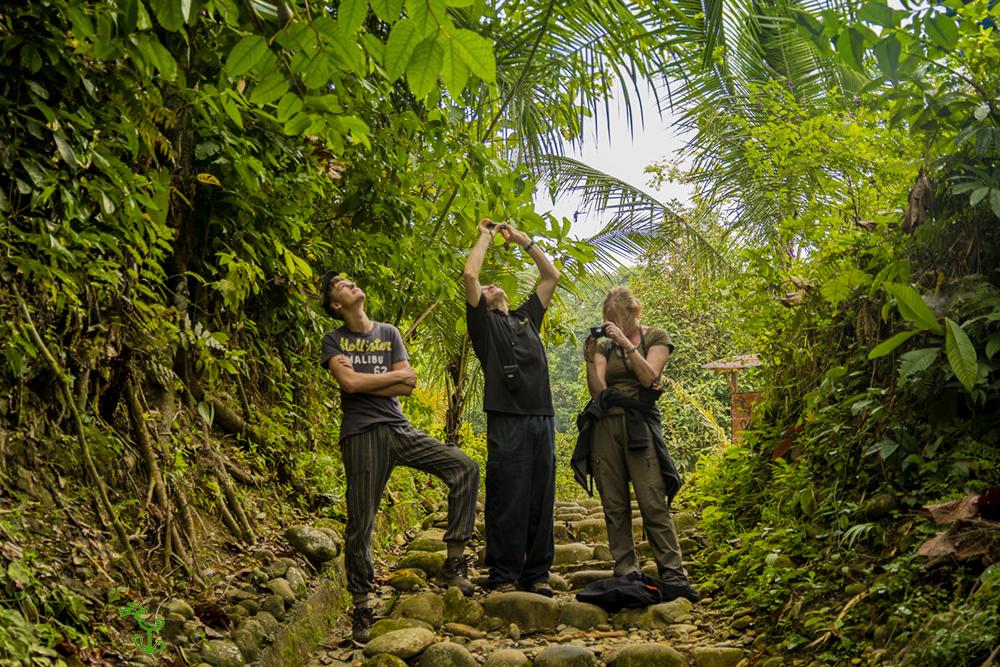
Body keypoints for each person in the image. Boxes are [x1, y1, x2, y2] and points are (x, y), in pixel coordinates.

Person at [319, 272, 480, 643]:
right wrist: (382, 379)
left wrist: (365, 379)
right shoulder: (334, 339)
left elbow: (409, 383)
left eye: (350, 280)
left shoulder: (388, 333)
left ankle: (454, 562)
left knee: (464, 467)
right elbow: (350, 385)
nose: (351, 284)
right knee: (362, 520)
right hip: (361, 436)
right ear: (335, 305)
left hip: (399, 429)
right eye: (341, 285)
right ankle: (361, 607)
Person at [571, 287, 699, 602]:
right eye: (607, 322)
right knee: (614, 505)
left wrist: (627, 344)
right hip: (606, 426)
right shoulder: (604, 348)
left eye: (617, 321)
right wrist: (591, 359)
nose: (612, 328)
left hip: (639, 425)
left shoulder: (655, 337)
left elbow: (649, 375)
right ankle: (626, 572)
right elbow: (598, 393)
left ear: (634, 313)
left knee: (653, 500)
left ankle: (672, 573)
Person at [463, 218, 560, 595]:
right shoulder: (484, 325)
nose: (489, 286)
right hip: (506, 419)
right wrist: (485, 235)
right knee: (507, 492)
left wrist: (523, 240)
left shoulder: (526, 318)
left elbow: (550, 277)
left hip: (542, 417)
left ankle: (537, 574)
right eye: (486, 289)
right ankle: (503, 572)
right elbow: (471, 275)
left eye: (494, 285)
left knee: (540, 494)